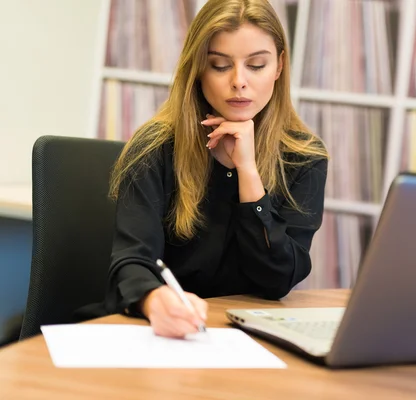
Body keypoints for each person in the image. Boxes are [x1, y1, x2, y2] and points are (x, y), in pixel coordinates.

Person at [102, 0, 329, 338]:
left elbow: (278, 280)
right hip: (156, 334)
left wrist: (248, 172)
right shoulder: (155, 148)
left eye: (256, 65)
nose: (239, 81)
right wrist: (154, 300)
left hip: (246, 341)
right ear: (197, 69)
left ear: (279, 66)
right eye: (220, 66)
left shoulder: (304, 158)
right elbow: (132, 263)